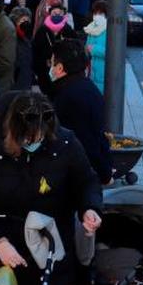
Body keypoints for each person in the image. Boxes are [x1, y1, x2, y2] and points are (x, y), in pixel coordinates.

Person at [0, 92, 103, 285]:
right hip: (0, 245)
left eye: (39, 137)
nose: (34, 142)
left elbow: (87, 182)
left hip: (49, 243)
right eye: (27, 137)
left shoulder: (65, 143)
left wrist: (90, 208)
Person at [48, 40, 113, 185]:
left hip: (76, 177)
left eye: (51, 63)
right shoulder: (87, 87)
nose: (50, 68)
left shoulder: (69, 96)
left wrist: (104, 174)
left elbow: (87, 142)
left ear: (59, 68)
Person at [33, 2, 79, 96]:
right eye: (54, 13)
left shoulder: (68, 30)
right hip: (45, 69)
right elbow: (35, 51)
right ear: (50, 14)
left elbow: (75, 48)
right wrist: (36, 69)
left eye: (59, 13)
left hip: (63, 71)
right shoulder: (42, 30)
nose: (57, 16)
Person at [84, 1, 108, 94]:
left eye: (100, 13)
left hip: (103, 73)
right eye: (95, 13)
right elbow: (87, 47)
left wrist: (94, 49)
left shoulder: (110, 30)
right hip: (91, 72)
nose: (97, 16)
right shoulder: (91, 28)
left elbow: (113, 54)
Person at [9, 7, 36, 90]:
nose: (26, 22)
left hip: (26, 77)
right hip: (16, 80)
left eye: (27, 20)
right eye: (23, 20)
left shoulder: (28, 36)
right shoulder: (11, 37)